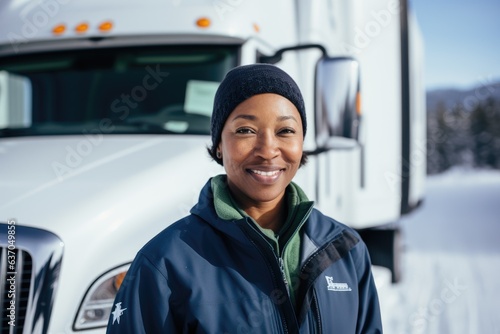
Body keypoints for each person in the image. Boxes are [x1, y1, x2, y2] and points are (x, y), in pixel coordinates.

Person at [106, 64, 383, 333]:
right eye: (245, 131)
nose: (267, 150)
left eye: (285, 131)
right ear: (218, 146)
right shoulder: (164, 264)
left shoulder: (344, 250)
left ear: (302, 143)